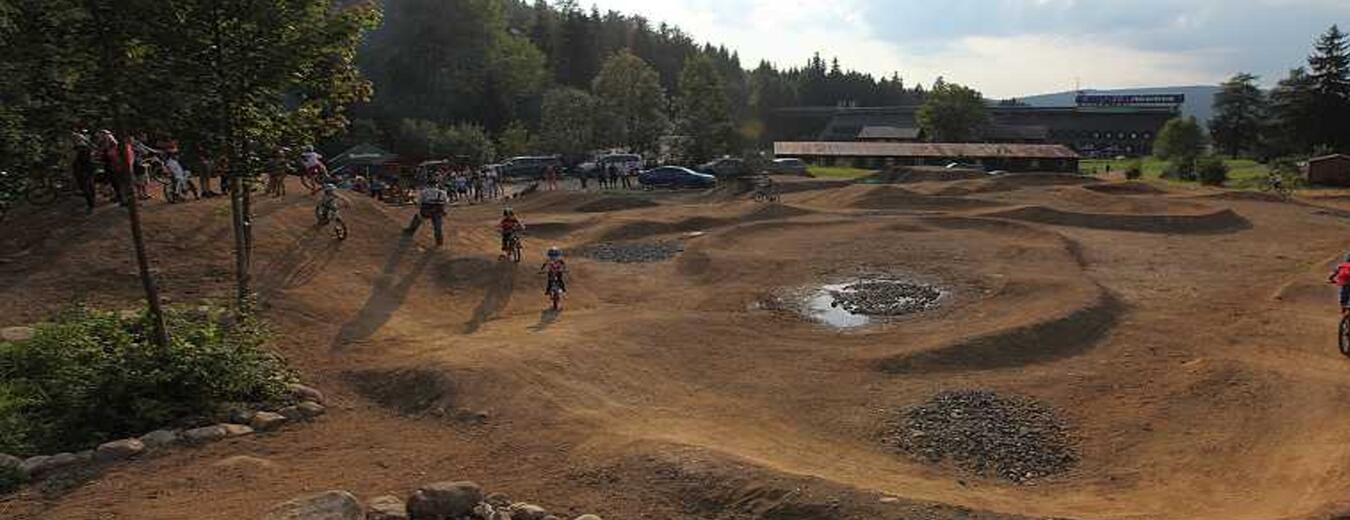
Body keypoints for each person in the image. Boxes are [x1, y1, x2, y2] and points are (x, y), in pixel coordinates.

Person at [404, 181, 450, 246]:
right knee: (438, 226)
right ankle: (439, 241)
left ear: (429, 185)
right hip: (438, 211)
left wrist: (418, 207)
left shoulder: (424, 192)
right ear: (436, 185)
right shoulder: (442, 192)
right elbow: (445, 203)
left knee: (417, 217)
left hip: (426, 210)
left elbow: (419, 202)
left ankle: (411, 230)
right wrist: (444, 211)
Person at [71, 129, 98, 213]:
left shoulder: (83, 149)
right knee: (89, 186)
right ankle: (91, 202)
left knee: (87, 187)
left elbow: (83, 161)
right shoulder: (84, 147)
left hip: (85, 171)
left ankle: (91, 205)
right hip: (86, 170)